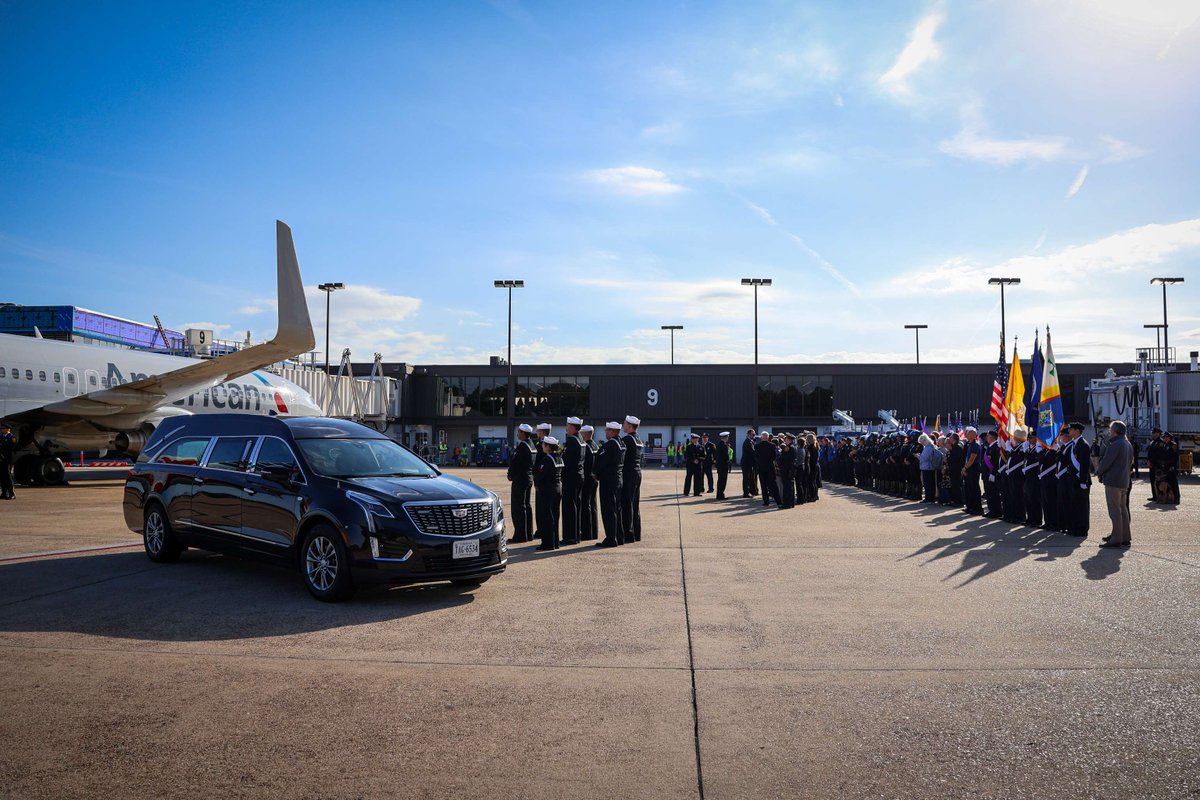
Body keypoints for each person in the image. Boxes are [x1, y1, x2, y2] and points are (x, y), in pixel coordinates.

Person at [1095, 420, 1134, 548]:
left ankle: (1116, 539)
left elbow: (1106, 462)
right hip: (1124, 481)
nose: (1109, 432)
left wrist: (1099, 472)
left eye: (1111, 430)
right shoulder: (1127, 443)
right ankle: (1124, 536)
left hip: (1113, 481)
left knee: (1115, 511)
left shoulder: (1116, 444)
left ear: (1115, 432)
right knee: (1122, 510)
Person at [593, 422, 625, 547]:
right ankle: (619, 536)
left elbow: (602, 461)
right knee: (617, 509)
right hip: (618, 478)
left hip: (609, 480)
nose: (605, 432)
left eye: (607, 430)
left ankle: (611, 539)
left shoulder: (611, 444)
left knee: (608, 510)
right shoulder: (621, 443)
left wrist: (595, 472)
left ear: (612, 431)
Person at [505, 423, 536, 543]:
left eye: (519, 432)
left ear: (523, 433)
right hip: (528, 478)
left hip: (520, 479)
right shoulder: (531, 445)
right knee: (526, 506)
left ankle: (520, 535)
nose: (517, 434)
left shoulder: (523, 446)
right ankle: (528, 534)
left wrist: (510, 475)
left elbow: (515, 463)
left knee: (518, 508)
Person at [534, 437, 563, 551]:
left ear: (548, 447)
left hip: (547, 490)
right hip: (557, 489)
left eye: (544, 445)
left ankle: (547, 543)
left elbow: (541, 476)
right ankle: (555, 542)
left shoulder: (546, 460)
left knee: (546, 517)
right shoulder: (559, 458)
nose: (542, 447)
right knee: (555, 516)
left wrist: (537, 483)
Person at [560, 417, 585, 545]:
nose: (566, 427)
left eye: (567, 425)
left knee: (569, 507)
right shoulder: (581, 439)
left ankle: (570, 536)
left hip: (571, 477)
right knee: (576, 506)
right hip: (579, 476)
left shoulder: (572, 441)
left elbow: (566, 461)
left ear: (572, 427)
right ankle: (576, 535)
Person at [1064, 422, 1091, 537]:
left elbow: (1085, 465)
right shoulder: (1074, 444)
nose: (1069, 432)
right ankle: (1074, 527)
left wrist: (1083, 481)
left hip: (1081, 481)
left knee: (1082, 506)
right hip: (1073, 480)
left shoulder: (1083, 444)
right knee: (1074, 505)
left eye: (1070, 430)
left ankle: (1082, 529)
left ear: (1076, 431)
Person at [620, 415, 643, 543]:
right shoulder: (637, 439)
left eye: (624, 424)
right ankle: (636, 532)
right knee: (634, 504)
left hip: (628, 474)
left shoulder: (627, 439)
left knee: (627, 504)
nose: (623, 426)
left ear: (629, 426)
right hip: (637, 473)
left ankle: (628, 534)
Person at [580, 425, 600, 541]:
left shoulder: (586, 446)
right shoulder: (595, 445)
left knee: (585, 505)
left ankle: (586, 533)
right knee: (592, 505)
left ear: (586, 434)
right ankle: (593, 532)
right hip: (594, 479)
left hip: (587, 479)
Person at [755, 431, 781, 507]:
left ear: (761, 438)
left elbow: (756, 457)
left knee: (763, 486)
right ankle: (778, 501)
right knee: (773, 485)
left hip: (761, 468)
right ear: (768, 437)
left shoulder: (757, 446)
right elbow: (774, 457)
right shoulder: (772, 445)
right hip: (770, 467)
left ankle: (766, 501)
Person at [961, 427, 983, 514]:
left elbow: (972, 459)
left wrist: (965, 468)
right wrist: (965, 468)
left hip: (973, 468)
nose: (966, 434)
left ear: (973, 435)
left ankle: (977, 508)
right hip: (968, 468)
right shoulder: (969, 444)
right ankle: (970, 506)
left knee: (974, 489)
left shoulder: (975, 445)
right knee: (968, 488)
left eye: (969, 433)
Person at [982, 431, 1002, 517]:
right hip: (987, 474)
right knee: (989, 493)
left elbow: (996, 461)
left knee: (994, 493)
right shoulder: (990, 447)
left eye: (988, 436)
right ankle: (991, 510)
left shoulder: (996, 446)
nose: (987, 437)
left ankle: (996, 512)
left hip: (992, 474)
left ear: (992, 437)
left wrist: (993, 473)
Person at [1161, 432, 1182, 505]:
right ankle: (1168, 499)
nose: (1165, 438)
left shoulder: (1173, 445)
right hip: (1166, 467)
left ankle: (1177, 498)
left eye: (1167, 437)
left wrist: (1172, 466)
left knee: (1174, 483)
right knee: (1168, 483)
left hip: (1171, 467)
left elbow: (1175, 457)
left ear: (1170, 438)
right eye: (1165, 437)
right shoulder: (1165, 445)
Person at [776, 433, 797, 509]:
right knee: (790, 486)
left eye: (786, 439)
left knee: (787, 487)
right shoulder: (793, 447)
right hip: (790, 469)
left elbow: (783, 458)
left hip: (786, 469)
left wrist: (778, 462)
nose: (785, 440)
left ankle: (787, 503)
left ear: (788, 439)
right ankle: (791, 502)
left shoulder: (788, 448)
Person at [918, 433, 938, 503]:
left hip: (927, 468)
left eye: (922, 442)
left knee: (928, 484)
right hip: (929, 467)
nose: (921, 444)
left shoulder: (928, 447)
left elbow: (925, 458)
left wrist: (918, 457)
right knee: (929, 484)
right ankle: (929, 498)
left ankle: (929, 498)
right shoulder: (930, 446)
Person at [1145, 427, 1164, 502]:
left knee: (1158, 481)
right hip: (1152, 464)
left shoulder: (1160, 442)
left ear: (1159, 434)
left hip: (1157, 465)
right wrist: (1148, 461)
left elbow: (1159, 454)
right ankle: (1154, 496)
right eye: (1153, 433)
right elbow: (1150, 453)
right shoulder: (1153, 442)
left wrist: (1152, 461)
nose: (1154, 434)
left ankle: (1159, 496)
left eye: (1156, 433)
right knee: (1152, 480)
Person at [715, 431, 732, 500]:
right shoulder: (723, 445)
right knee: (722, 480)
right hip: (723, 465)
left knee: (720, 480)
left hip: (719, 465)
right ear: (725, 438)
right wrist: (728, 460)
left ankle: (719, 494)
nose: (728, 438)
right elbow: (726, 456)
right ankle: (720, 495)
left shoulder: (719, 444)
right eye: (727, 437)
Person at [741, 429, 758, 498]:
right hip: (746, 463)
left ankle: (750, 491)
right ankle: (746, 493)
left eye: (754, 434)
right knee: (746, 478)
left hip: (749, 463)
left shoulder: (751, 441)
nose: (754, 436)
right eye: (753, 434)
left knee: (749, 478)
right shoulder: (747, 442)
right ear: (749, 435)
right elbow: (752, 452)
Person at [0, 422, 15, 500]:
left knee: (8, 476)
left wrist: (3, 454)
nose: (1, 430)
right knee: (2, 476)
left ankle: (11, 494)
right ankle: (4, 493)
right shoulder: (1, 437)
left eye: (2, 428)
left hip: (7, 459)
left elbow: (11, 449)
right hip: (1, 459)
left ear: (7, 429)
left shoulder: (11, 437)